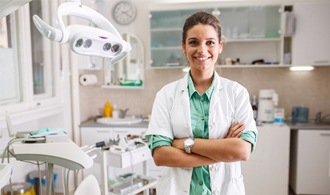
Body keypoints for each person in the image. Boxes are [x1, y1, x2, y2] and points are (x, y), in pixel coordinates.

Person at [145, 11, 257, 195]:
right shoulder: (166, 95)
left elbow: (242, 151)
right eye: (193, 42)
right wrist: (222, 150)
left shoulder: (236, 93)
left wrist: (185, 144)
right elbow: (161, 155)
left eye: (210, 42)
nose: (202, 50)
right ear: (184, 46)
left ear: (220, 46)